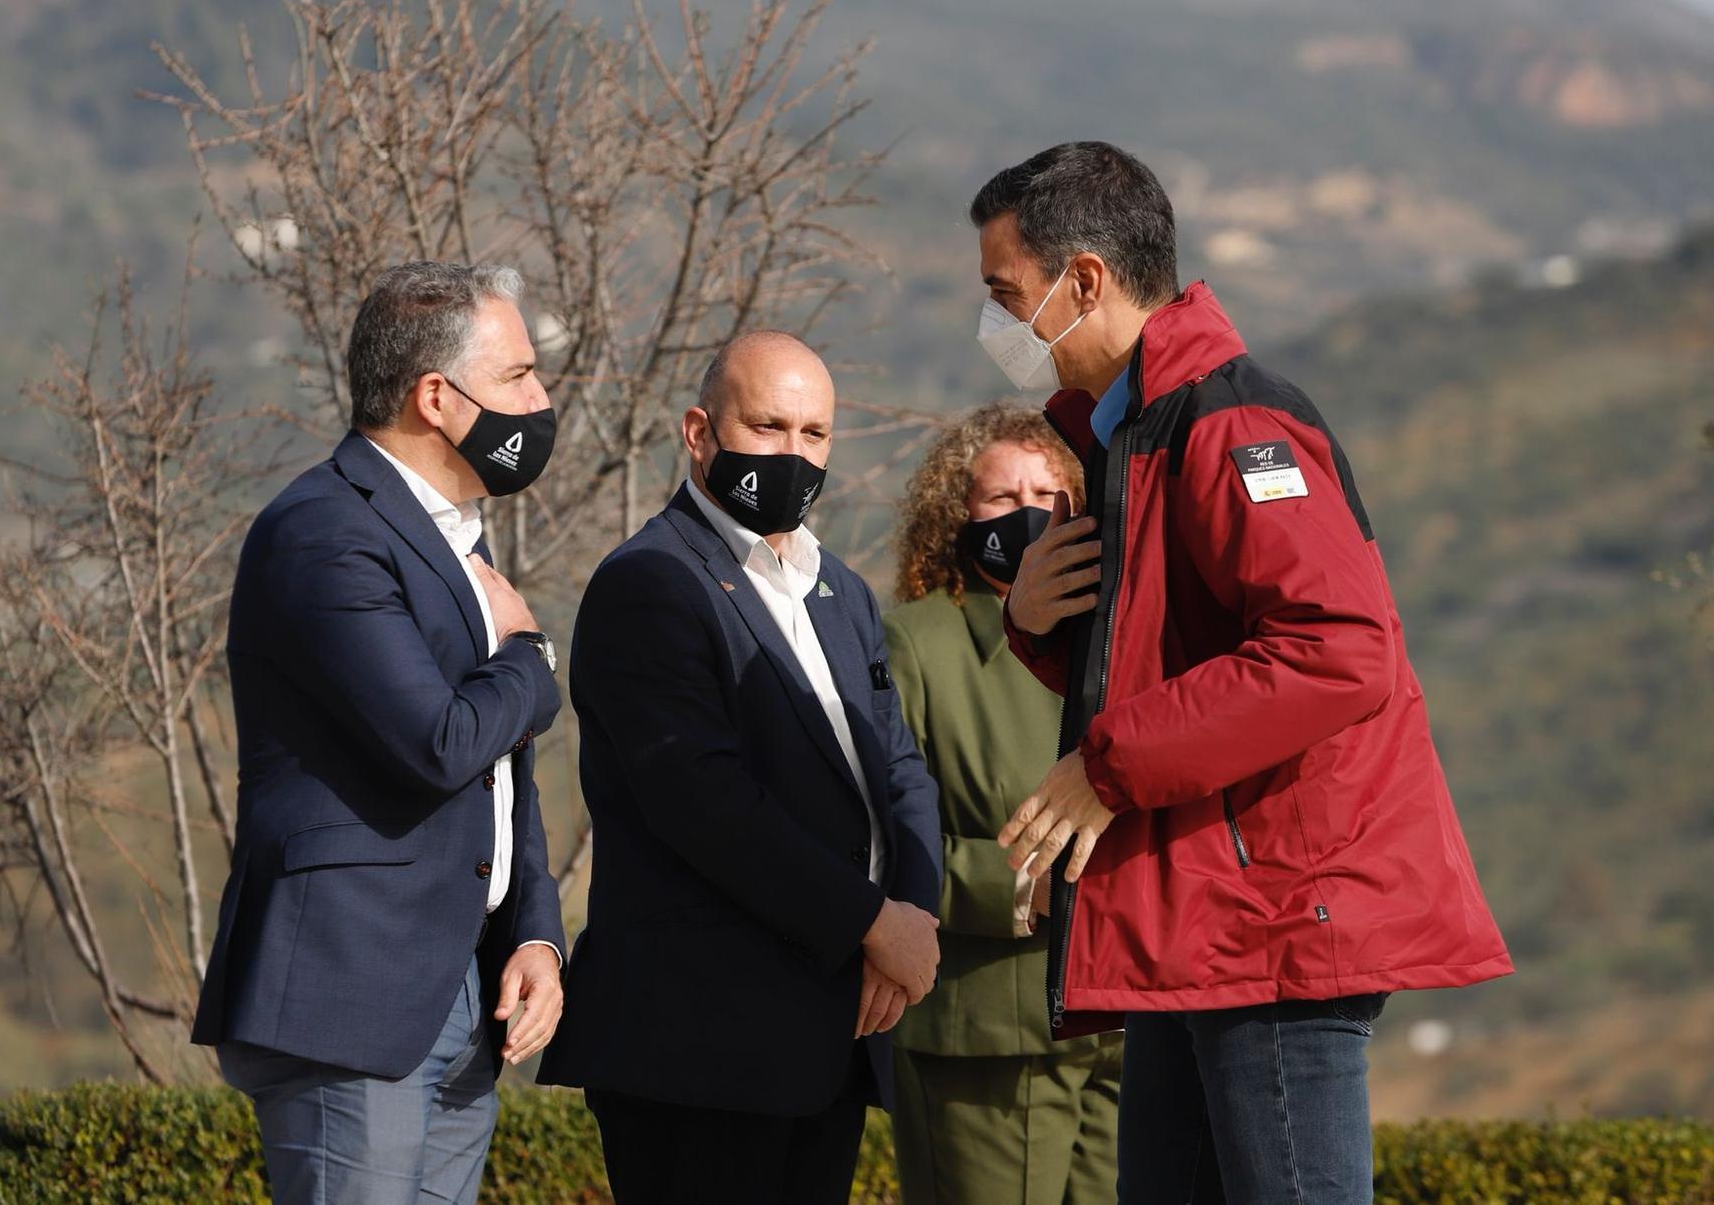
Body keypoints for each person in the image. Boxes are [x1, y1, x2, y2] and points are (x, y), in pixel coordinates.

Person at [973, 142, 1513, 1204]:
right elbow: (1161, 656)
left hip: (1271, 923)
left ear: (1082, 281)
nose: (994, 326)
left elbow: (1334, 651)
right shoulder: (1126, 437)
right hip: (1200, 921)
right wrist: (1036, 623)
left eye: (1004, 294)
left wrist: (1107, 768)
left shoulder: (1233, 428)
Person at [192, 261, 569, 1205]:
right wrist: (532, 657)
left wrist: (535, 937)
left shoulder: (456, 539)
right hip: (350, 998)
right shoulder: (322, 531)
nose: (541, 398)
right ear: (436, 398)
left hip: (465, 998)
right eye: (518, 376)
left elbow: (496, 776)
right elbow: (439, 741)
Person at [538, 330, 943, 1205]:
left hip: (828, 1032)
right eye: (768, 426)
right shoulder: (650, 584)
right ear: (699, 432)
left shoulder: (841, 590)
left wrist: (912, 915)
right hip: (700, 1049)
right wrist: (873, 923)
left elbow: (898, 767)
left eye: (815, 434)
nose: (794, 454)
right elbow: (707, 804)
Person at [883, 403, 1121, 1205]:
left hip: (1125, 1026)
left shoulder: (1121, 639)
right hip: (985, 1034)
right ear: (957, 514)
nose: (1028, 515)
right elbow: (878, 839)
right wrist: (1024, 888)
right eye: (1000, 498)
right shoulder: (913, 641)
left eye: (1050, 494)